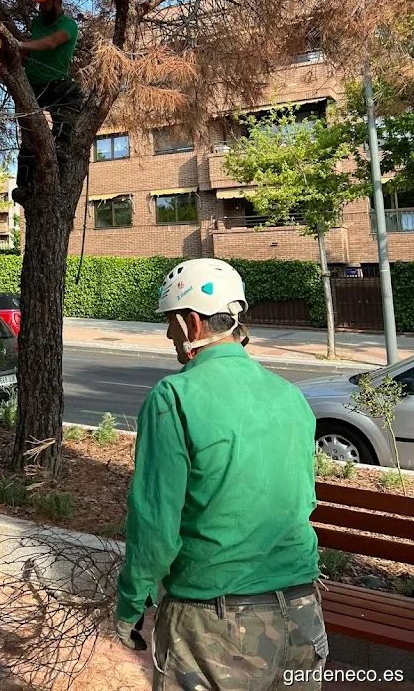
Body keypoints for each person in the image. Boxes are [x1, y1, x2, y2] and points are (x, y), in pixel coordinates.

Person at [114, 258, 326, 691]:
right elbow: (303, 500)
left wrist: (131, 604)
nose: (167, 334)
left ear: (191, 323)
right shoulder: (289, 395)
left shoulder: (174, 397)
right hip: (304, 614)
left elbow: (156, 526)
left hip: (212, 624)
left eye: (169, 323)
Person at [11, 0, 82, 204]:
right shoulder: (37, 23)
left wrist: (21, 44)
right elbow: (33, 49)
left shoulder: (68, 25)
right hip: (33, 84)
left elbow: (51, 42)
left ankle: (60, 144)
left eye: (45, 3)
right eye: (40, 3)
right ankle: (23, 185)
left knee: (71, 95)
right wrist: (18, 55)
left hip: (57, 83)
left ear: (57, 0)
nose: (41, 7)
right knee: (29, 137)